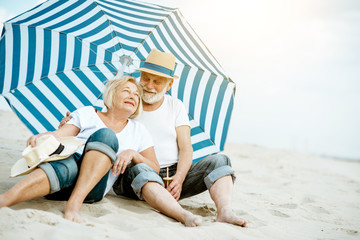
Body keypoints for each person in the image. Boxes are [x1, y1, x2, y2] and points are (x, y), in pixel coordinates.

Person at [60, 49, 247, 227]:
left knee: (220, 160)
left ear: (169, 85)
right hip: (133, 173)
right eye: (146, 79)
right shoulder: (130, 101)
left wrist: (180, 178)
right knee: (142, 168)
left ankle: (224, 211)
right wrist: (72, 122)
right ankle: (181, 214)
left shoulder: (176, 106)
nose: (149, 86)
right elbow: (105, 119)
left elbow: (186, 147)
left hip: (173, 176)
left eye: (157, 81)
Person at [0, 76, 159, 223]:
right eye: (126, 91)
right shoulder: (87, 113)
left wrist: (134, 154)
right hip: (61, 180)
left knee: (107, 136)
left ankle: (74, 204)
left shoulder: (139, 130)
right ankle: (6, 199)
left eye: (136, 94)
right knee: (68, 162)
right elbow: (60, 135)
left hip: (92, 189)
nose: (132, 96)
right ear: (111, 94)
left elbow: (155, 167)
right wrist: (42, 136)